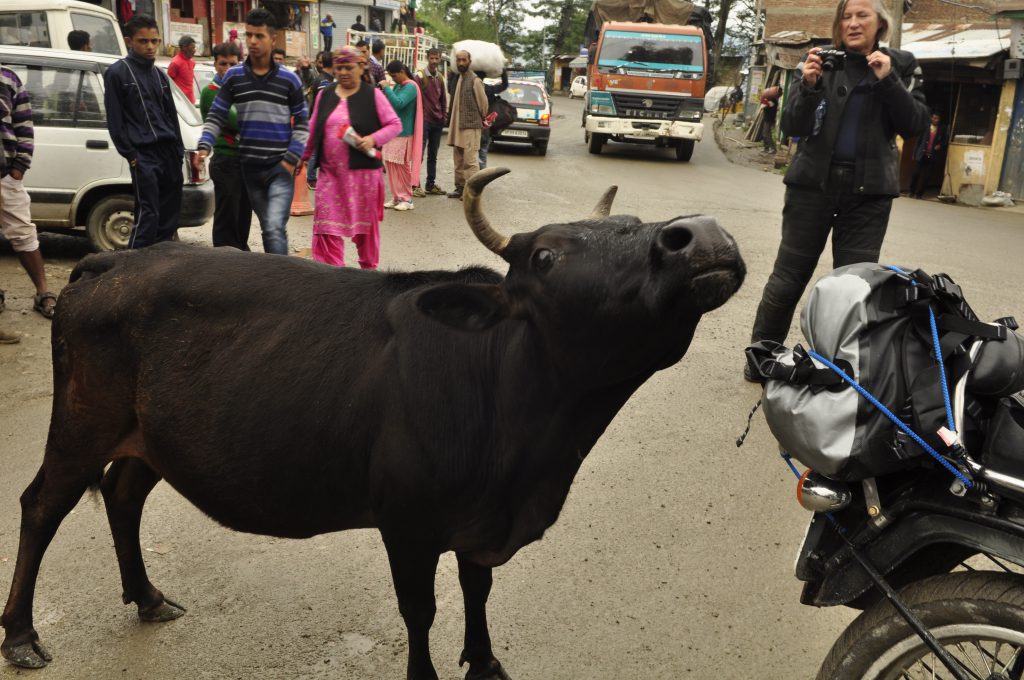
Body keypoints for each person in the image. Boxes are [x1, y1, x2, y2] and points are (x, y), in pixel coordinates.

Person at [745, 0, 930, 381]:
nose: (852, 22)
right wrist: (808, 86)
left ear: (881, 23)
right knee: (788, 277)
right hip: (811, 188)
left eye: (862, 15)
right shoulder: (820, 62)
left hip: (868, 196)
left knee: (852, 288)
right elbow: (790, 127)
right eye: (846, 16)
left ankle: (839, 370)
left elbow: (914, 126)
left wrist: (888, 79)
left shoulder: (903, 64)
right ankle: (761, 358)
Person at [195, 8, 309, 256]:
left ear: (273, 39)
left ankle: (280, 284)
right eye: (249, 36)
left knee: (273, 228)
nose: (253, 42)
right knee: (250, 227)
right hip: (248, 168)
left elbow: (302, 123)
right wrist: (204, 144)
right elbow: (217, 113)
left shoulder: (290, 80)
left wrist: (290, 160)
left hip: (279, 169)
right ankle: (258, 281)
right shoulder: (234, 77)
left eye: (259, 36)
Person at [301, 47, 401, 268]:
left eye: (349, 67)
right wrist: (303, 155)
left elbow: (395, 124)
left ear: (361, 67)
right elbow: (314, 126)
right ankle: (330, 279)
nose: (344, 72)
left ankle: (367, 275)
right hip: (330, 176)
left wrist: (373, 139)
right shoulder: (324, 95)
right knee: (326, 231)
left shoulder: (372, 95)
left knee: (365, 232)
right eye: (339, 68)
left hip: (363, 178)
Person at [104, 14, 185, 249]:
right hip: (143, 154)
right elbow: (115, 121)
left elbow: (171, 117)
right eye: (143, 41)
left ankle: (159, 270)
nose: (150, 46)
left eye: (154, 41)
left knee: (169, 217)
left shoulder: (160, 75)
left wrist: (178, 151)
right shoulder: (118, 73)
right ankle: (132, 271)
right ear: (129, 41)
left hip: (169, 153)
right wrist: (131, 155)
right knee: (148, 214)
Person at [0, 63, 56, 319]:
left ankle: (43, 293)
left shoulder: (8, 78)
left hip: (5, 174)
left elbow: (24, 126)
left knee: (23, 233)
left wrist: (19, 168)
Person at [200, 43, 252, 250]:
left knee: (243, 216)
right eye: (223, 64)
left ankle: (240, 261)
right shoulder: (211, 91)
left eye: (233, 63)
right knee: (227, 219)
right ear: (215, 64)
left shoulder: (241, 90)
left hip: (245, 161)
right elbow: (238, 121)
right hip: (226, 160)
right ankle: (224, 263)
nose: (228, 68)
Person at [380, 60, 422, 211]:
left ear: (402, 71)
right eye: (391, 76)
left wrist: (387, 89)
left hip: (404, 132)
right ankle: (397, 196)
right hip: (393, 130)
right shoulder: (399, 85)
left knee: (402, 166)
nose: (393, 79)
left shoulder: (411, 86)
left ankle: (407, 199)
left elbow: (398, 103)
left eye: (394, 75)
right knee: (391, 165)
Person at [446, 50, 487, 200]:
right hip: (457, 126)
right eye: (459, 60)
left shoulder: (475, 80)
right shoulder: (459, 79)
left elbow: (484, 105)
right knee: (458, 160)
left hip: (471, 126)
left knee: (470, 161)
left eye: (464, 60)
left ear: (469, 61)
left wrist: (480, 119)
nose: (461, 63)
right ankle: (460, 188)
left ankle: (472, 192)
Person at [414, 46, 446, 195]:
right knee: (419, 154)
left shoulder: (440, 78)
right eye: (431, 58)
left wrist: (443, 117)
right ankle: (415, 184)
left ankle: (430, 184)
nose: (434, 61)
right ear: (427, 58)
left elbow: (443, 100)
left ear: (440, 59)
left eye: (436, 58)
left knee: (433, 155)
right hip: (424, 121)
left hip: (437, 122)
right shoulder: (420, 77)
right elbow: (415, 99)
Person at [909, 112, 947, 199]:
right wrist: (914, 153)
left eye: (937, 118)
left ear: (939, 119)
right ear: (931, 118)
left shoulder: (942, 129)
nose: (935, 120)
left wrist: (940, 145)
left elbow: (945, 141)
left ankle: (919, 194)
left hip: (932, 155)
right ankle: (912, 191)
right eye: (933, 118)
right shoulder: (925, 127)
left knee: (926, 177)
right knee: (916, 174)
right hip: (921, 154)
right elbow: (918, 141)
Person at [476, 67, 507, 169]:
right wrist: (503, 72)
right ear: (484, 77)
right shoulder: (488, 89)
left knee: (470, 152)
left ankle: (470, 174)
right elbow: (504, 85)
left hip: (471, 125)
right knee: (483, 150)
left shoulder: (469, 87)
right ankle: (481, 172)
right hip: (485, 126)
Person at [167, 35, 197, 104]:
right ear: (184, 48)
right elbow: (169, 83)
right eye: (192, 48)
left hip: (191, 102)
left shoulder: (192, 62)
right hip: (180, 102)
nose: (194, 50)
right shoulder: (175, 63)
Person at [759, 85, 780, 153]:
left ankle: (773, 148)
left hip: (769, 119)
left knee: (766, 134)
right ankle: (766, 148)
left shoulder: (772, 101)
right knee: (765, 133)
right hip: (767, 118)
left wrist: (764, 101)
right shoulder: (769, 100)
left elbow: (763, 106)